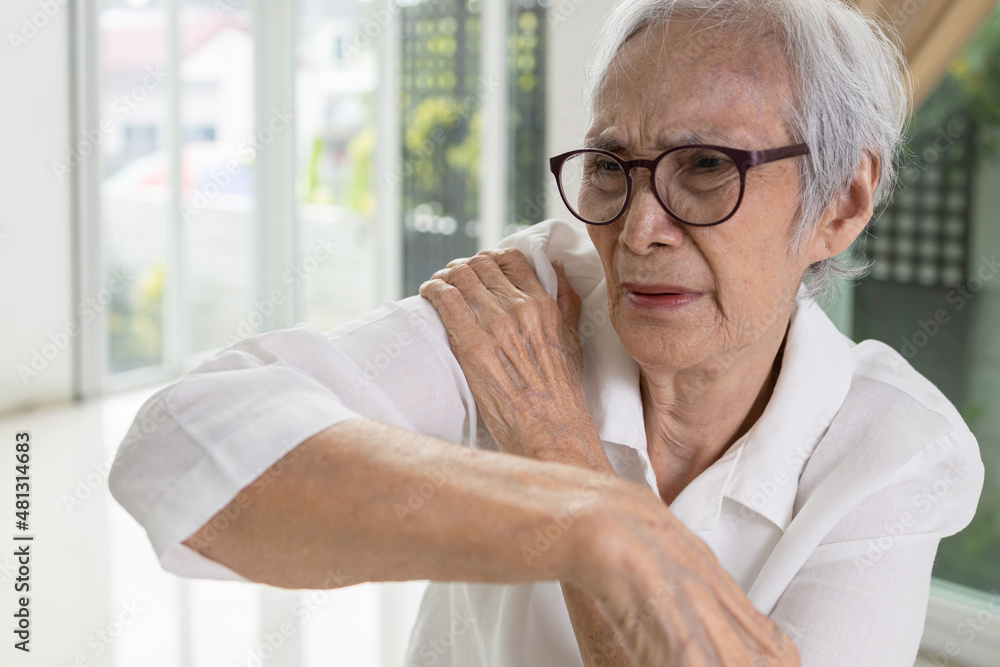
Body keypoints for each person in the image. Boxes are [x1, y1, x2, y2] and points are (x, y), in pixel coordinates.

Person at [109, 0, 985, 664]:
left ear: (844, 202)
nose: (639, 228)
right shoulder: (532, 302)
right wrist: (594, 525)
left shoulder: (899, 451)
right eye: (611, 166)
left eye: (708, 167)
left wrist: (569, 463)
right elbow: (179, 449)